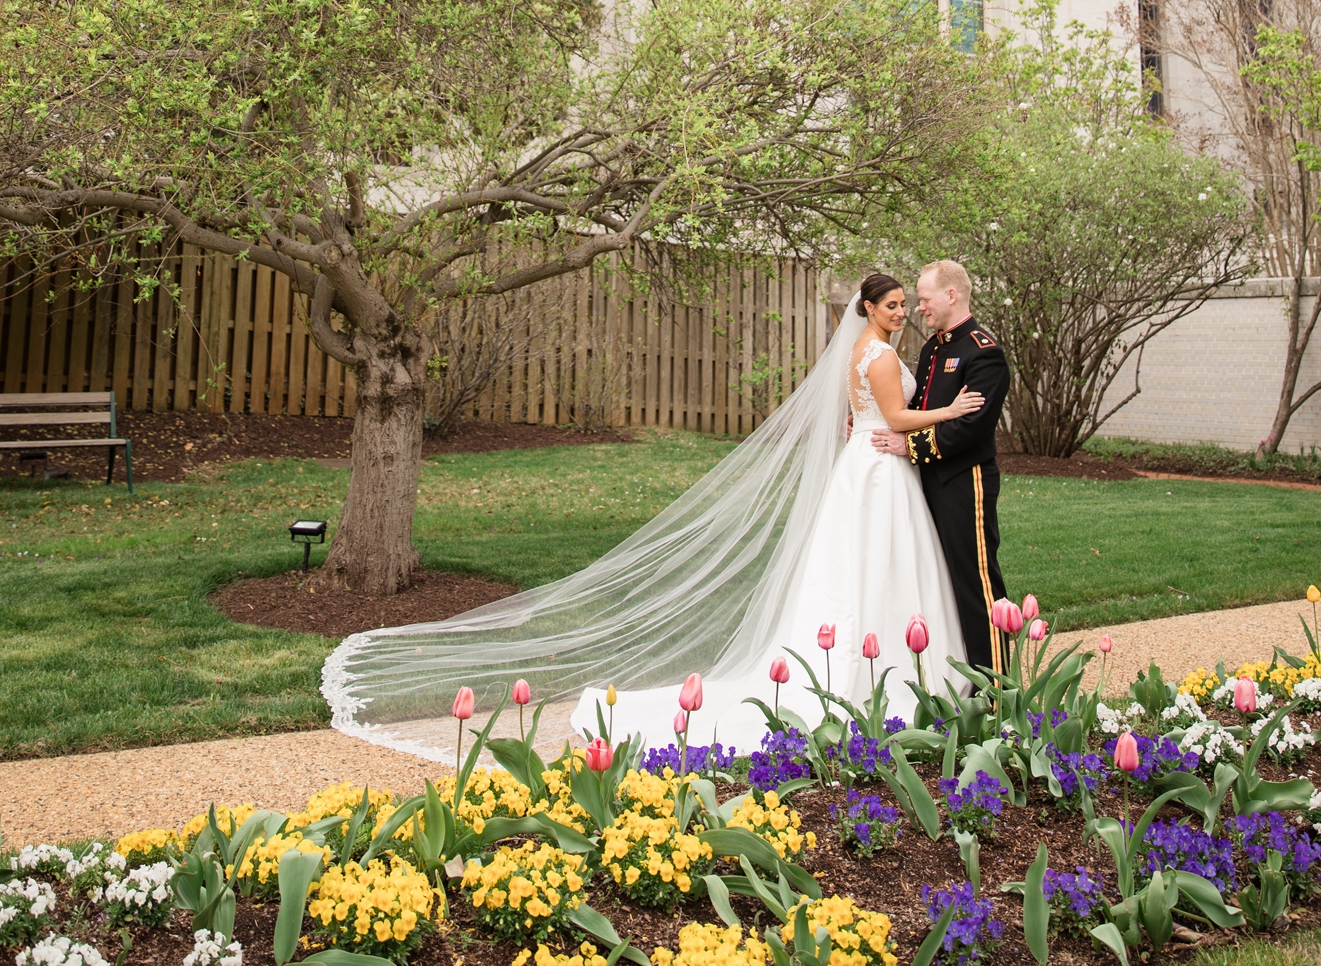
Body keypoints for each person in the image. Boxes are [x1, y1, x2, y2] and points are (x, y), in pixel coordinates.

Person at [322, 272, 984, 758]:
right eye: (895, 304)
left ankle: (858, 672)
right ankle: (887, 678)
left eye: (908, 304)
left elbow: (855, 417)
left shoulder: (854, 353)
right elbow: (893, 418)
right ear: (869, 308)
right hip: (880, 469)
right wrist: (949, 413)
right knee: (881, 570)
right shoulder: (881, 354)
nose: (904, 312)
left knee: (857, 572)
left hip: (860, 471)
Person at [872, 259, 1011, 672]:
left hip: (964, 483)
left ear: (951, 295)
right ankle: (957, 677)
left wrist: (909, 447)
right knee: (936, 579)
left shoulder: (984, 353)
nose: (919, 308)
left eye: (925, 298)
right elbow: (923, 407)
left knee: (974, 581)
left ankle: (996, 690)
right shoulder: (936, 347)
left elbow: (971, 428)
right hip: (928, 480)